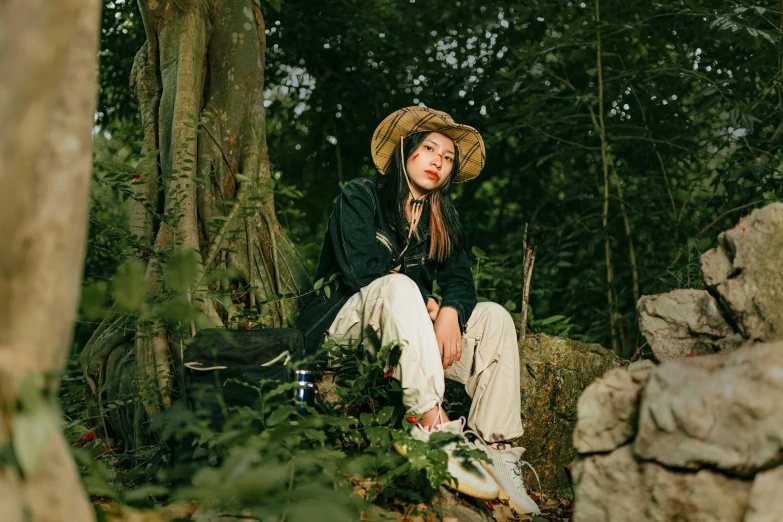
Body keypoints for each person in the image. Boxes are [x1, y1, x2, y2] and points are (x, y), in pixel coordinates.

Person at [296, 106, 540, 516]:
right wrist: (428, 303)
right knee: (399, 286)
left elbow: (461, 282)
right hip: (344, 330)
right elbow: (360, 273)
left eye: (447, 158)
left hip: (407, 336)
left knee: (494, 316)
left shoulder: (442, 217)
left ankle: (499, 455)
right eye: (429, 149)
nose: (438, 162)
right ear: (406, 151)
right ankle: (433, 428)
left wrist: (450, 312)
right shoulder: (361, 195)